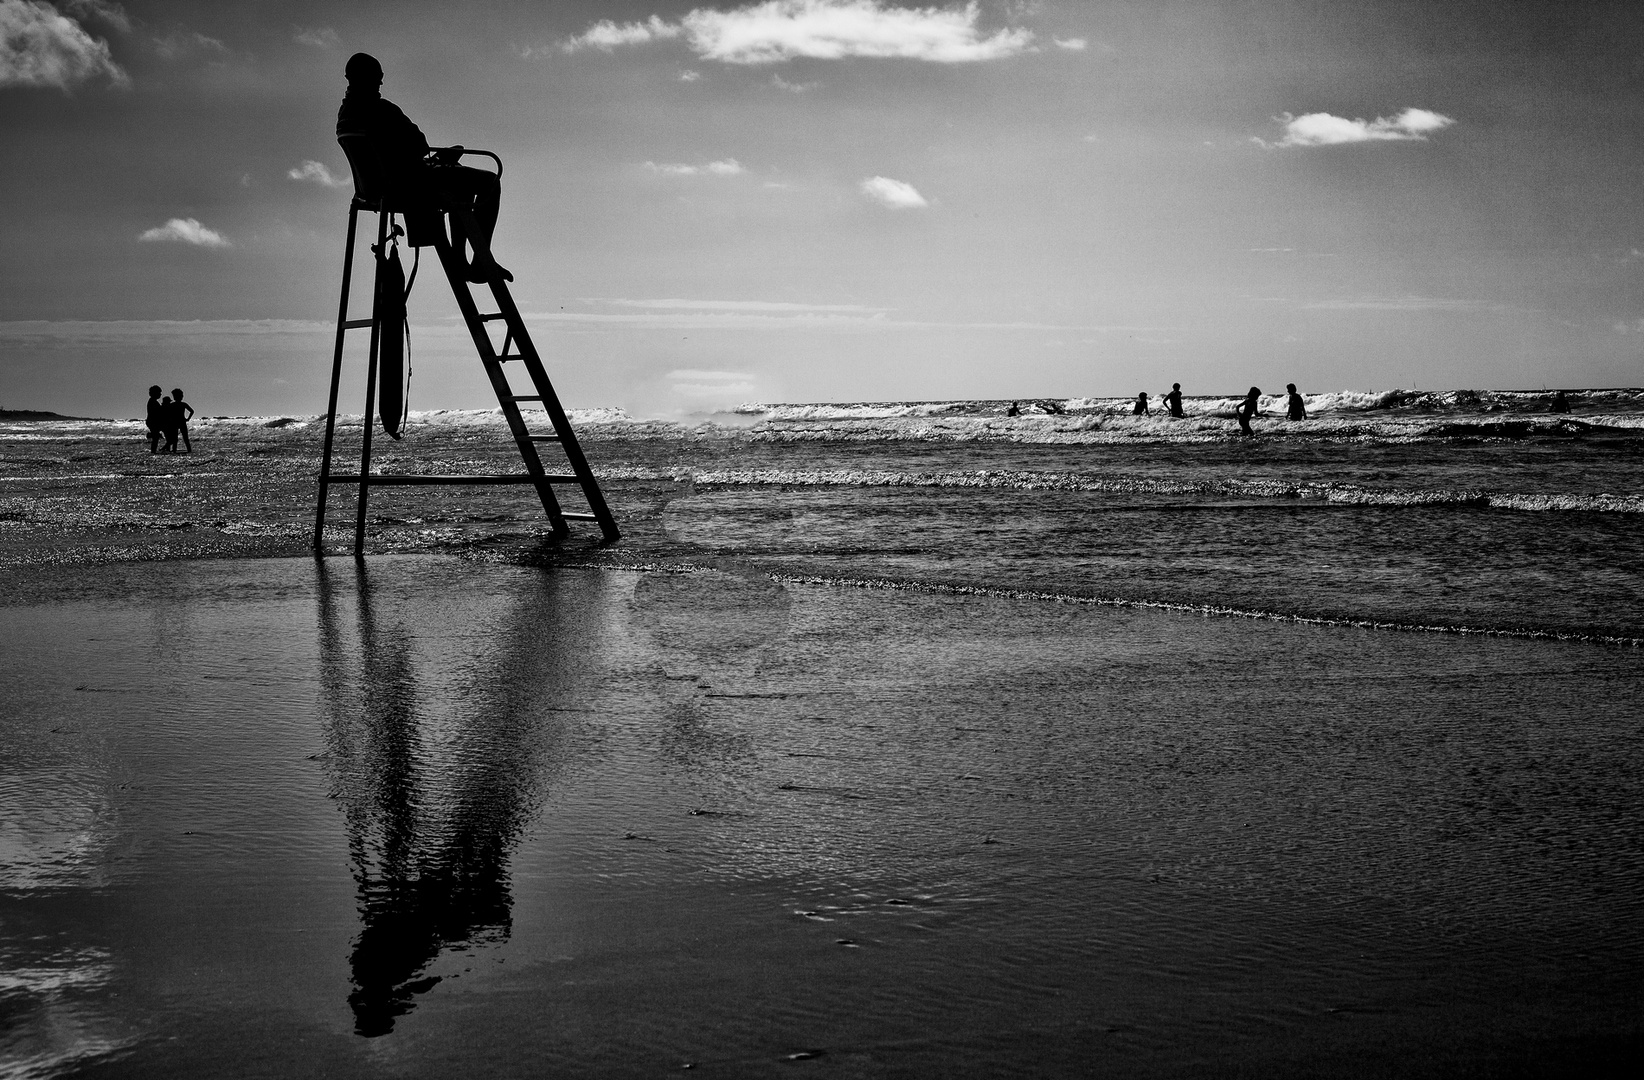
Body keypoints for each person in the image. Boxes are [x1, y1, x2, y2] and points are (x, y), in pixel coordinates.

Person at [337, 52, 510, 283]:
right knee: (489, 181)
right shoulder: (382, 110)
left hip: (373, 191)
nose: (381, 82)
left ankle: (461, 259)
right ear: (366, 77)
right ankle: (479, 261)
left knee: (460, 187)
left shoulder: (344, 116)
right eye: (378, 77)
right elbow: (420, 144)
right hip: (409, 185)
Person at [144, 385, 164, 453]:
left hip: (152, 421)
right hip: (153, 422)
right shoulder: (153, 402)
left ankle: (154, 450)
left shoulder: (153, 401)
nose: (160, 394)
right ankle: (154, 451)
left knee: (156, 437)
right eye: (159, 393)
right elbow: (157, 412)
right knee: (155, 438)